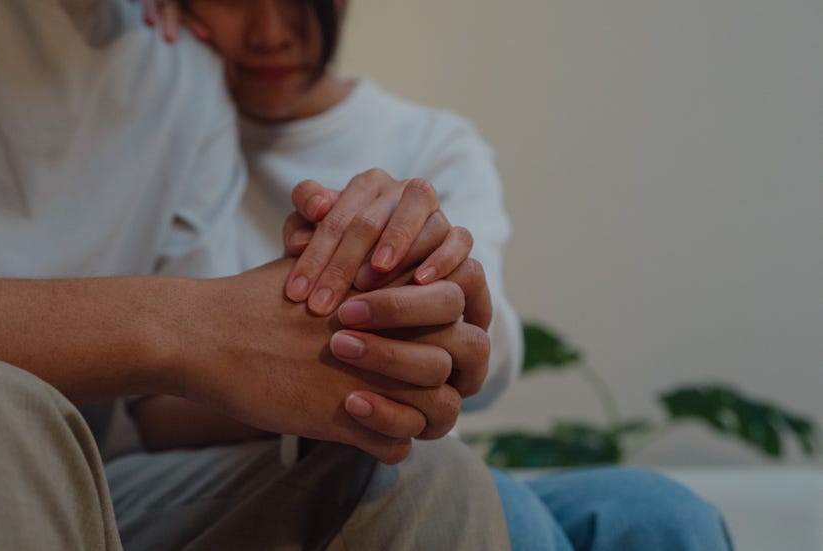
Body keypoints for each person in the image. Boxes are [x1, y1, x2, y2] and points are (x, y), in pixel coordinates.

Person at [0, 1, 511, 549]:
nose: (269, 33)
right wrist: (181, 324)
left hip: (102, 476)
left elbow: (161, 407)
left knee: (424, 476)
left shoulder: (182, 72)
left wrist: (364, 341)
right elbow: (188, 341)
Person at [136, 0, 735, 549]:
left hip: (406, 450)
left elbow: (484, 349)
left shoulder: (430, 144)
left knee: (666, 517)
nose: (270, 34)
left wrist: (434, 306)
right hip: (257, 463)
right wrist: (310, 367)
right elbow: (152, 409)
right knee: (476, 502)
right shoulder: (161, 132)